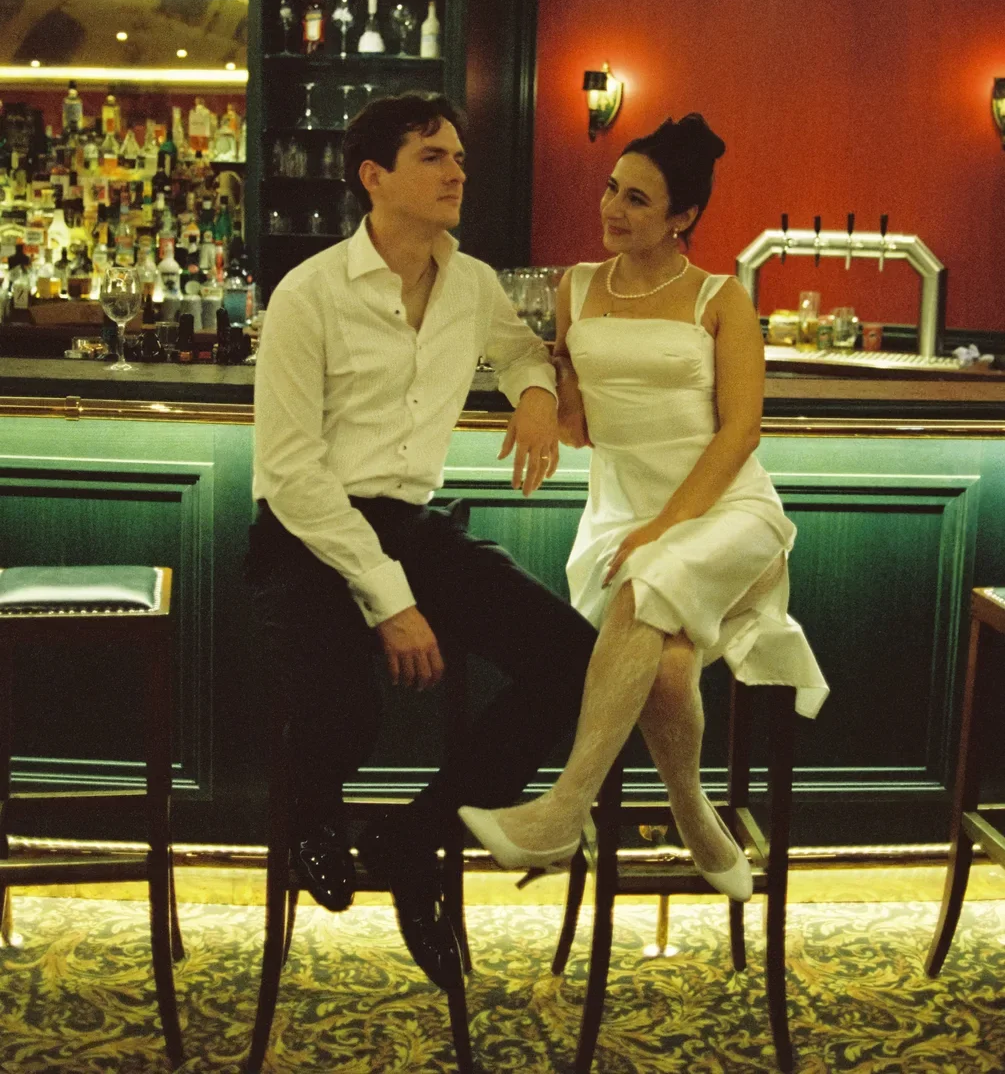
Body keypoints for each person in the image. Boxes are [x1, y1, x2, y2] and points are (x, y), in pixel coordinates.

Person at [248, 92, 596, 989]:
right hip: (309, 529)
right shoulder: (309, 293)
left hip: (407, 521)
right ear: (375, 177)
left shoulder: (472, 282)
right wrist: (390, 599)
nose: (457, 173)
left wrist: (533, 395)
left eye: (459, 158)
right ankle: (310, 824)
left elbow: (519, 350)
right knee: (343, 706)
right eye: (434, 158)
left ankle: (416, 839)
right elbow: (291, 473)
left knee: (572, 659)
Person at [460, 113, 828, 900]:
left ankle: (561, 809)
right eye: (610, 189)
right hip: (619, 513)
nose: (612, 209)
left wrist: (663, 530)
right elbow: (579, 422)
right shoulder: (576, 287)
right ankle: (693, 809)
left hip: (729, 514)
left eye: (636, 199)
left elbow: (739, 435)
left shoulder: (720, 300)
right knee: (662, 662)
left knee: (649, 579)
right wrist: (534, 393)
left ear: (682, 216)